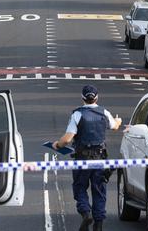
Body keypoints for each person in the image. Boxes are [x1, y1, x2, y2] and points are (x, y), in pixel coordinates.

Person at [53, 85, 123, 231]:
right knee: (99, 191)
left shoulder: (77, 115)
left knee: (79, 188)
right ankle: (99, 225)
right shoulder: (104, 112)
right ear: (97, 98)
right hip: (100, 159)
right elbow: (115, 127)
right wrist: (119, 121)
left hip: (82, 160)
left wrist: (57, 145)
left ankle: (86, 213)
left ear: (82, 98)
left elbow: (67, 139)